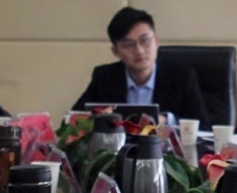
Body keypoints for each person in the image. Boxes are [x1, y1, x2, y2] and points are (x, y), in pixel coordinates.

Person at [74, 7, 207, 124]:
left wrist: (167, 120)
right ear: (116, 52)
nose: (139, 51)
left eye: (145, 41)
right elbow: (73, 122)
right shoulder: (104, 77)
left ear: (156, 41)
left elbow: (203, 127)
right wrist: (96, 118)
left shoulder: (181, 77)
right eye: (129, 45)